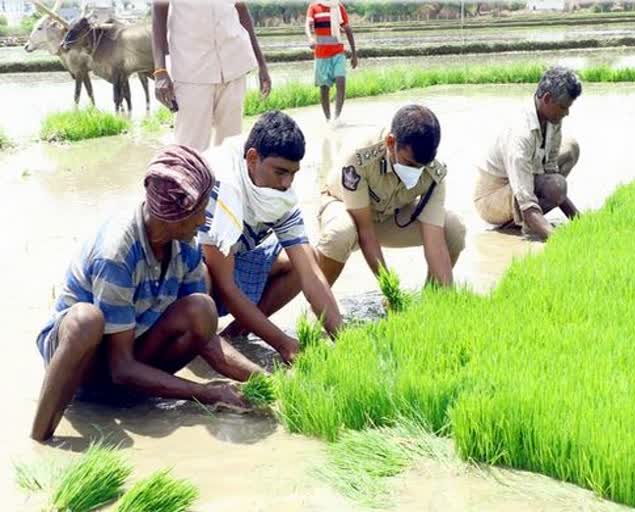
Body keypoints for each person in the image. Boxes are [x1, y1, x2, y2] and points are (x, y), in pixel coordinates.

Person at [31, 145, 260, 442]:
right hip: (86, 365)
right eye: (200, 212)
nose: (204, 221)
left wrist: (266, 381)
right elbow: (121, 367)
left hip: (127, 353)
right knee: (86, 320)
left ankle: (128, 399)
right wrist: (204, 392)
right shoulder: (117, 252)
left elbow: (207, 340)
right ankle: (40, 436)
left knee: (202, 309)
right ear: (174, 215)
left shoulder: (184, 245)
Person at [201, 111, 343, 365]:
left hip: (237, 259)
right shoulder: (222, 186)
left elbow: (312, 276)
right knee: (202, 276)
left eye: (293, 173)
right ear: (253, 158)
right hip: (195, 276)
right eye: (280, 172)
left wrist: (344, 341)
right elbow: (226, 285)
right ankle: (205, 344)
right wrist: (283, 343)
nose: (287, 183)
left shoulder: (280, 194)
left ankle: (237, 332)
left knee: (306, 259)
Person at [316, 104, 466, 288]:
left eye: (421, 166)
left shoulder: (434, 172)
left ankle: (433, 297)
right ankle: (318, 305)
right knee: (339, 234)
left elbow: (434, 239)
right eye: (409, 163)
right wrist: (390, 288)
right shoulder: (359, 157)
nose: (416, 171)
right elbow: (365, 231)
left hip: (389, 217)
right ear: (390, 142)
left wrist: (448, 298)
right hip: (348, 213)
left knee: (454, 228)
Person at [474, 66, 582, 240]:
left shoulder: (553, 118)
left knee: (570, 148)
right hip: (492, 199)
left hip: (526, 178)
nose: (567, 113)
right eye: (563, 107)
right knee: (555, 185)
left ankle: (534, 222)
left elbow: (551, 170)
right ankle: (525, 224)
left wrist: (579, 220)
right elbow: (527, 199)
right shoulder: (520, 133)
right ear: (547, 99)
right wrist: (557, 240)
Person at [152, 0, 272, 151]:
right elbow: (158, 12)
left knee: (230, 144)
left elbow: (242, 10)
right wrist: (160, 70)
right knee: (190, 147)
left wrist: (261, 64)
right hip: (191, 70)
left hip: (234, 65)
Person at [305, 0, 358, 124]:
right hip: (321, 55)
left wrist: (354, 54)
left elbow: (347, 29)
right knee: (324, 88)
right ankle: (328, 119)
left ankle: (337, 117)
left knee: (341, 81)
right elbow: (308, 25)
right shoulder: (314, 7)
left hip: (338, 52)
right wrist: (310, 38)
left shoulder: (338, 7)